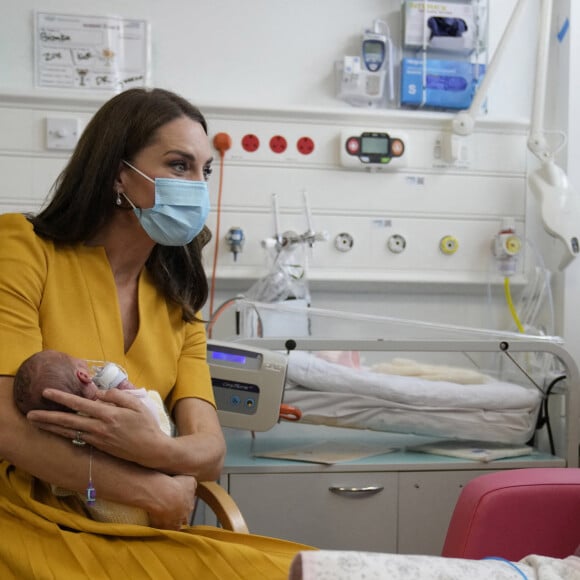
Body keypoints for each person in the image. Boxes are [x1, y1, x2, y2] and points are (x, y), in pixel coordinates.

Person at [0, 87, 312, 579]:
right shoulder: (21, 250)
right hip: (27, 520)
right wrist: (143, 488)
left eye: (203, 171)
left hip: (140, 525)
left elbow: (208, 452)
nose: (196, 185)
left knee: (301, 569)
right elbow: (4, 426)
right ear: (118, 173)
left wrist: (154, 452)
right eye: (179, 165)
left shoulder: (179, 301)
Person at [13, 349, 172, 525]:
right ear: (83, 375)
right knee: (151, 399)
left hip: (107, 514)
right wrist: (130, 391)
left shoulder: (59, 436)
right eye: (74, 359)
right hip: (153, 499)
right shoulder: (117, 404)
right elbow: (154, 425)